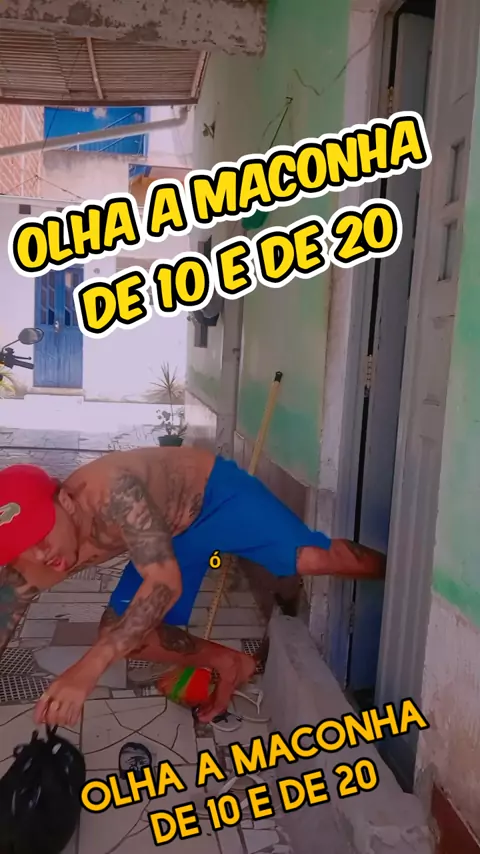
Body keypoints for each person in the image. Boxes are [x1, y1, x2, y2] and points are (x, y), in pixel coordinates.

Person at [0, 448, 385, 728]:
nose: (41, 554)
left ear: (66, 502)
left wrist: (86, 671)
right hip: (164, 538)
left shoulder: (113, 491)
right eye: (23, 547)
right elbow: (4, 607)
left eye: (42, 533)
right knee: (123, 635)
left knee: (312, 559)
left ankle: (396, 571)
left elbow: (164, 584)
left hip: (215, 497)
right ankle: (230, 663)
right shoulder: (35, 558)